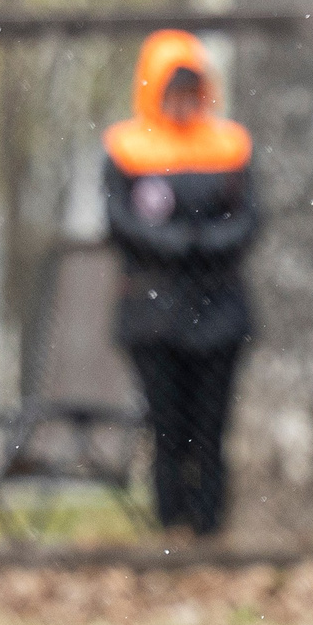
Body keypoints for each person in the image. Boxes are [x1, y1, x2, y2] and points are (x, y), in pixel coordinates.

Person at [103, 31, 259, 540]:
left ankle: (210, 527)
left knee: (211, 427)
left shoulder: (230, 145)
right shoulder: (127, 148)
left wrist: (199, 242)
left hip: (219, 311)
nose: (184, 103)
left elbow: (249, 220)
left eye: (193, 91)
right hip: (153, 312)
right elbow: (119, 223)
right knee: (167, 426)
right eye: (174, 91)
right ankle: (171, 526)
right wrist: (173, 245)